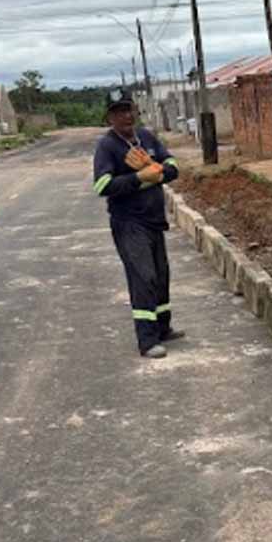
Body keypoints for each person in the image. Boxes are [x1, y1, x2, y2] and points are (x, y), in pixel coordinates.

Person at [92, 89, 184, 359]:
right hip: (129, 224)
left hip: (155, 220)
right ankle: (147, 340)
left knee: (161, 275)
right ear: (110, 117)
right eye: (119, 111)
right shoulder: (108, 146)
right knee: (143, 277)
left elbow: (172, 166)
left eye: (129, 109)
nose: (127, 115)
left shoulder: (146, 138)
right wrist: (139, 178)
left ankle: (163, 328)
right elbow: (102, 185)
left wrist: (157, 171)